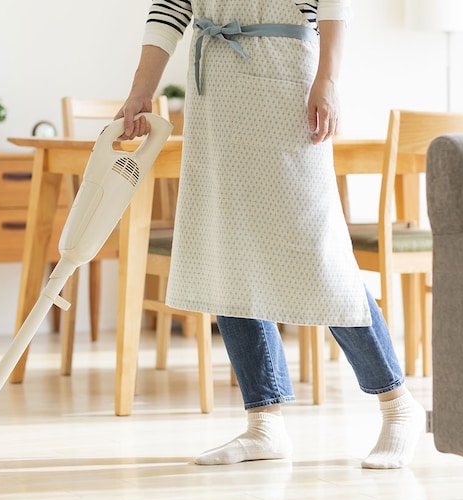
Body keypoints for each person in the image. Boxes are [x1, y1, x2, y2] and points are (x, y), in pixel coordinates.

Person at [117, 0, 425, 469]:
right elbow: (170, 9)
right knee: (229, 244)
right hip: (215, 93)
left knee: (320, 258)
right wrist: (142, 90)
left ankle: (398, 406)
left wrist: (329, 79)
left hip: (289, 83)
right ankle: (264, 423)